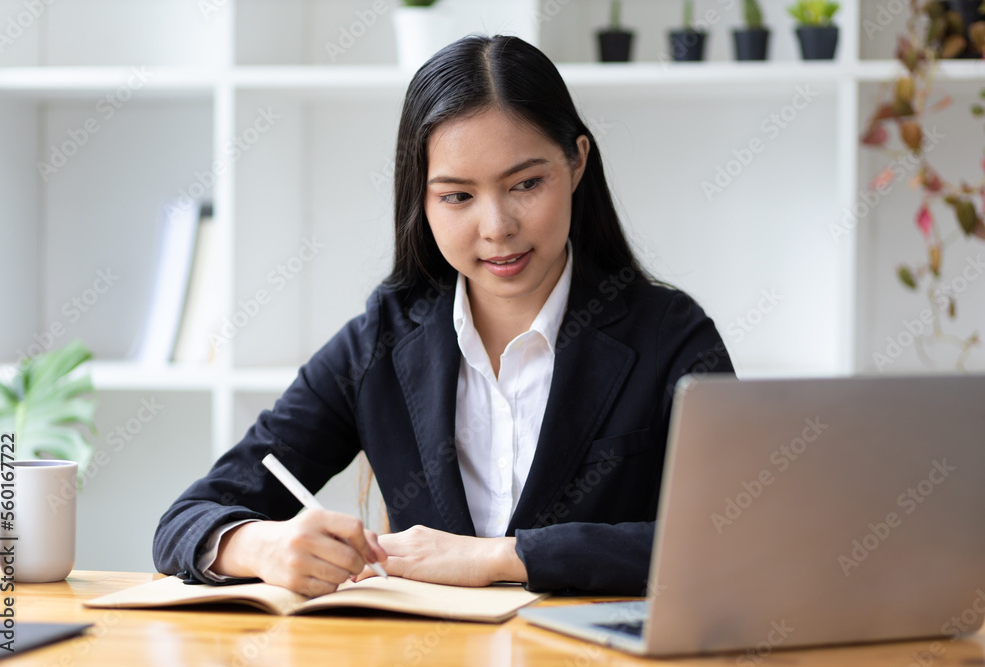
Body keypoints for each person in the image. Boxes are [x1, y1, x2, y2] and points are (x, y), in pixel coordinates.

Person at [153, 34, 735, 598]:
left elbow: (734, 540)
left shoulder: (669, 334)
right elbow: (185, 519)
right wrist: (263, 546)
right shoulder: (380, 341)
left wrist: (499, 558)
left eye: (526, 183)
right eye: (457, 196)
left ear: (577, 162)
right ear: (422, 198)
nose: (497, 226)